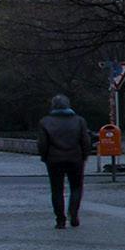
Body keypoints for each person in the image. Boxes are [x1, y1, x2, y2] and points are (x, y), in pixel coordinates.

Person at [36, 95, 92, 228]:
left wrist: (44, 157)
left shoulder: (45, 122)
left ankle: (60, 220)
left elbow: (42, 144)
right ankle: (74, 214)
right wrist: (84, 156)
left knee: (56, 190)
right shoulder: (79, 121)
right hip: (75, 158)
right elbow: (85, 141)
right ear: (68, 105)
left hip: (54, 160)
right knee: (76, 187)